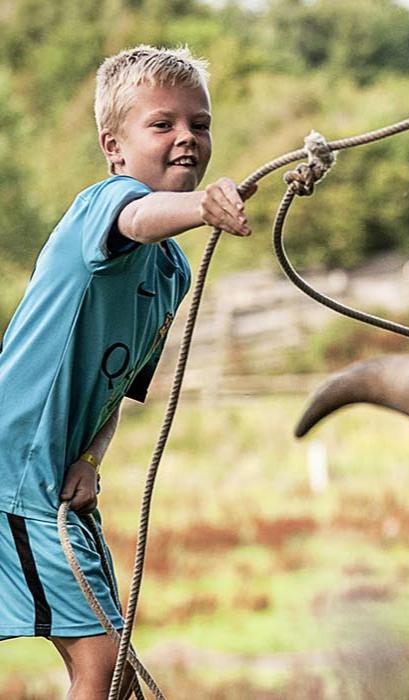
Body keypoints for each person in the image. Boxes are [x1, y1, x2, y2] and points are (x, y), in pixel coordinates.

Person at [0, 45, 254, 698]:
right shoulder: (104, 207)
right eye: (162, 124)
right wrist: (203, 207)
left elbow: (115, 390)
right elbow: (135, 217)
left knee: (111, 668)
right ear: (115, 147)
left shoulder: (171, 273)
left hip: (56, 482)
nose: (186, 139)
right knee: (105, 662)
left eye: (199, 124)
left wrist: (91, 455)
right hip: (15, 473)